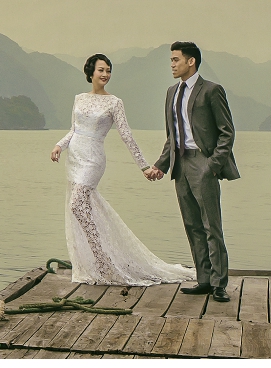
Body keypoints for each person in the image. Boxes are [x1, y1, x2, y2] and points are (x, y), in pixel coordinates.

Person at [49, 53, 195, 286]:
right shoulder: (79, 98)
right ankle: (96, 260)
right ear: (91, 73)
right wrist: (59, 145)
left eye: (108, 70)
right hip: (74, 158)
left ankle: (103, 258)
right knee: (83, 207)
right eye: (101, 70)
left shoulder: (114, 102)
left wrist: (144, 166)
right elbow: (74, 130)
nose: (105, 74)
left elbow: (127, 136)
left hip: (93, 160)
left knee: (77, 204)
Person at [150, 41, 241, 304]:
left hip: (204, 163)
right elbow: (172, 137)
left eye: (176, 60)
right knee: (192, 225)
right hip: (181, 164)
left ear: (191, 61)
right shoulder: (171, 92)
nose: (172, 64)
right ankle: (203, 280)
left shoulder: (212, 90)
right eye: (171, 60)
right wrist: (161, 165)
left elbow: (227, 132)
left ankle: (219, 284)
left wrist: (212, 165)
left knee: (212, 226)